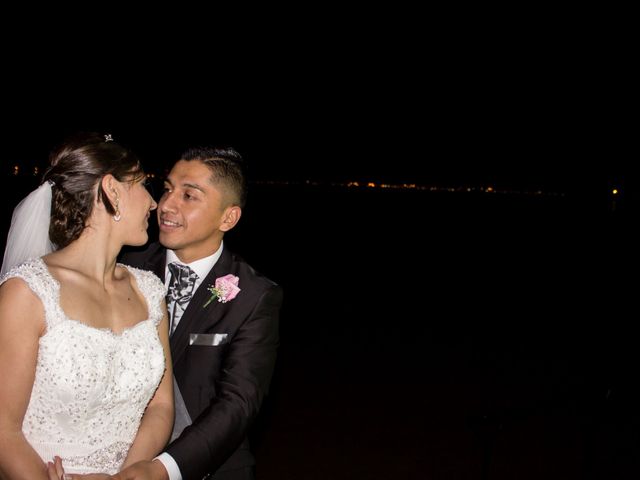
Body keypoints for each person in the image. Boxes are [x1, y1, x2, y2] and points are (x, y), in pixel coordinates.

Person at [0, 132, 174, 479]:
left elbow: (162, 405)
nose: (153, 203)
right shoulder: (28, 292)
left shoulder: (150, 292)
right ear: (112, 192)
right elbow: (4, 430)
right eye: (142, 184)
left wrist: (124, 476)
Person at [117, 146, 282, 480]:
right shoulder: (124, 268)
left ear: (228, 217)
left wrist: (162, 470)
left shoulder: (254, 295)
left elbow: (238, 403)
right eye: (166, 189)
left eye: (189, 195)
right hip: (115, 455)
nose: (166, 205)